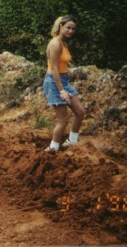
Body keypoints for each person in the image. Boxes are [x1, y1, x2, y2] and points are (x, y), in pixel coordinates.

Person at [43, 15, 85, 152]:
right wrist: (61, 90)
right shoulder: (55, 44)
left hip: (63, 81)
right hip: (55, 82)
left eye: (73, 29)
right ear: (60, 26)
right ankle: (53, 148)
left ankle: (72, 141)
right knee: (63, 119)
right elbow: (54, 68)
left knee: (80, 112)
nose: (71, 31)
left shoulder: (64, 42)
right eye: (68, 27)